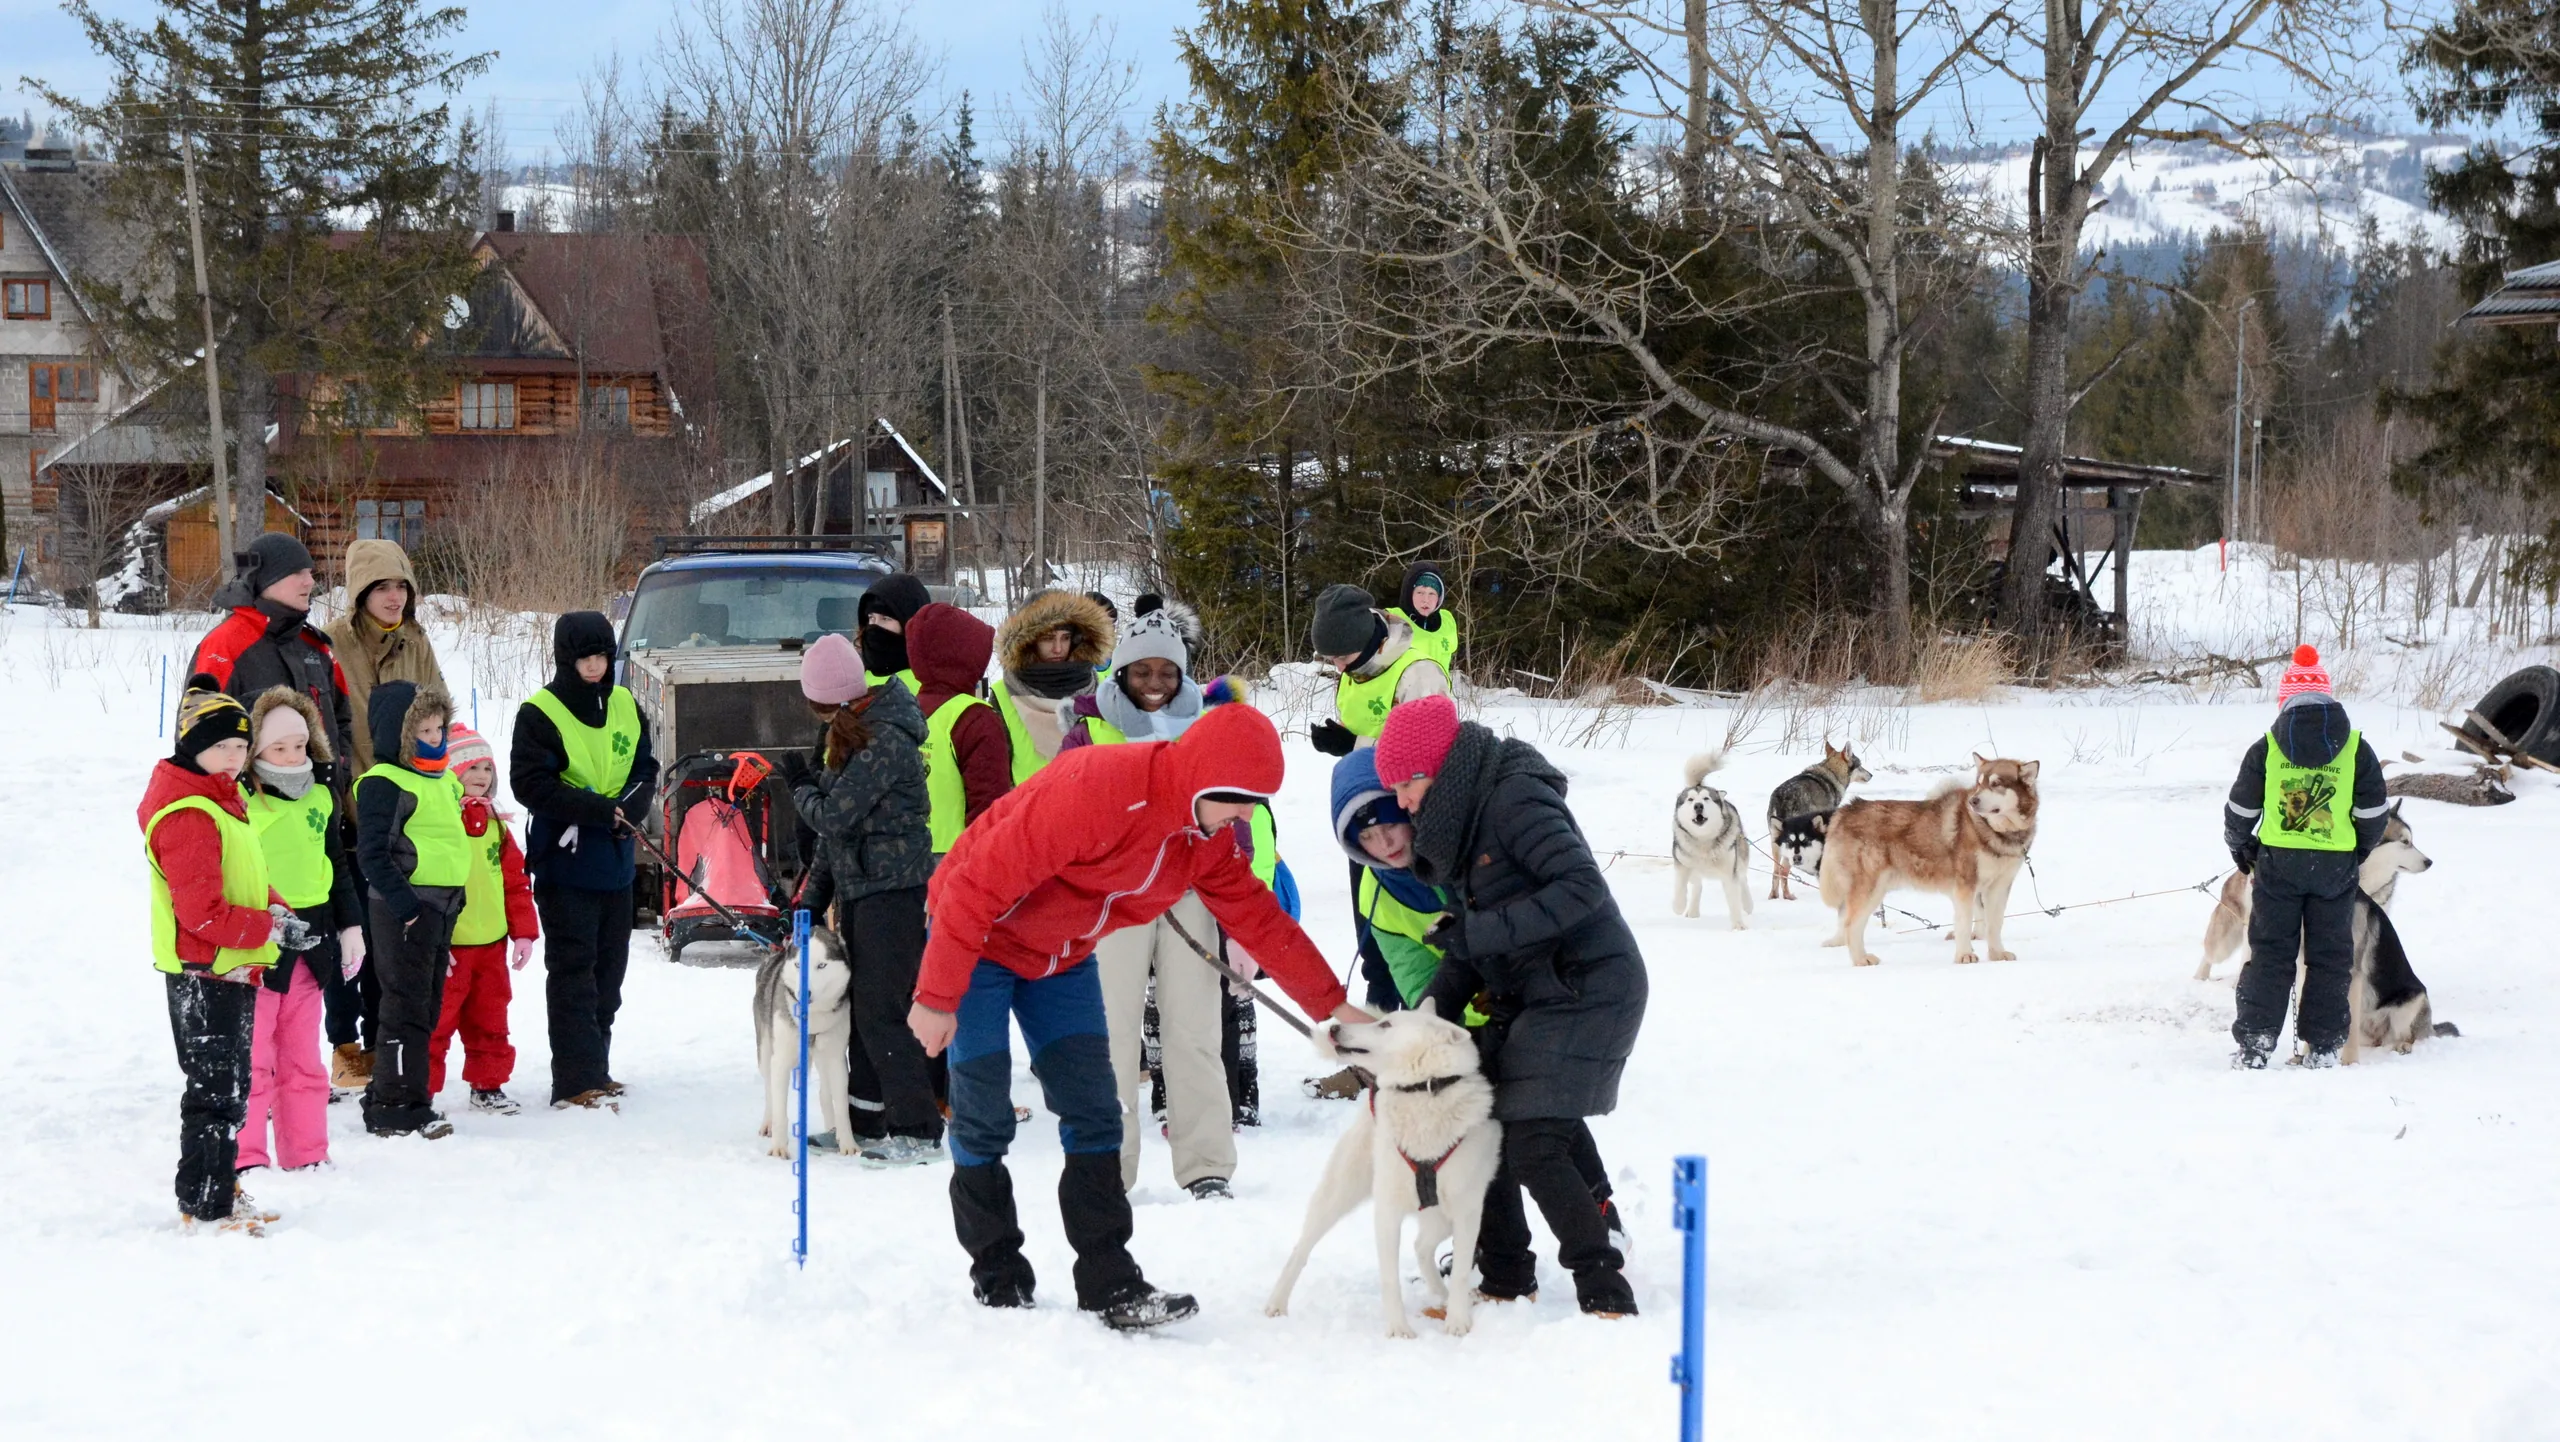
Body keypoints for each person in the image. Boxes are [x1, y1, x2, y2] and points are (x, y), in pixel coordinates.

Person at [907, 703, 1372, 1329]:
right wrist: (937, 997)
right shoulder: (1096, 788)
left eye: (1253, 805)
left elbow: (1258, 918)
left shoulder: (1203, 840)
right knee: (984, 1113)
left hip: (1061, 956)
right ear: (1204, 781)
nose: (1244, 818)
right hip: (980, 943)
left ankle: (1109, 1282)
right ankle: (999, 1278)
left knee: (1097, 1111)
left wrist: (1334, 1008)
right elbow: (971, 887)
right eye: (1238, 801)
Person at [1378, 693, 1645, 1317]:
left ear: (1440, 767)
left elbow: (1582, 887)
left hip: (1590, 986)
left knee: (1532, 1139)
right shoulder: (1464, 821)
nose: (1404, 802)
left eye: (1408, 784)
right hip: (1541, 989)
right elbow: (1473, 943)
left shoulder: (1514, 798)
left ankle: (1604, 1287)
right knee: (1478, 1116)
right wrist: (1424, 1019)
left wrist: (1477, 936)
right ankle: (1503, 1276)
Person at [1054, 606, 1252, 1197]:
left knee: (1192, 1031)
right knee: (1110, 1033)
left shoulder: (1208, 725)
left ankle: (1207, 1163)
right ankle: (1109, 1165)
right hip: (1116, 899)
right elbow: (1063, 814)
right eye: (1142, 673)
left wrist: (1242, 906)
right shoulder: (1089, 729)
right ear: (1121, 673)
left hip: (1190, 894)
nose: (1155, 685)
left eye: (1168, 672)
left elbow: (1238, 818)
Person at [194, 532, 372, 1093]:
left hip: (320, 815)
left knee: (330, 931)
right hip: (254, 825)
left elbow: (341, 716)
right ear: (268, 579)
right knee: (262, 947)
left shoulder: (315, 647)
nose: (311, 581)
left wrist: (335, 770)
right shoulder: (228, 643)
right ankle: (254, 1075)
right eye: (301, 573)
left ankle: (339, 1052)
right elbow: (198, 728)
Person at [142, 678, 306, 1232]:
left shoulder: (221, 799)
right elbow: (202, 913)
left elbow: (242, 878)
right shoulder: (190, 812)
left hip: (229, 965)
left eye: (241, 748)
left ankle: (222, 1186)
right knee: (214, 1092)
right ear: (193, 748)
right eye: (222, 748)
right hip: (202, 968)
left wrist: (275, 909)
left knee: (232, 1088)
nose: (234, 759)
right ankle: (204, 1204)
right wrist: (268, 929)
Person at [788, 632, 944, 1165]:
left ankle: (919, 1128)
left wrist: (799, 789)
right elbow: (839, 836)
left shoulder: (885, 737)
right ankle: (866, 1123)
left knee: (883, 1011)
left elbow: (833, 816)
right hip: (860, 888)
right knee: (861, 1012)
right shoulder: (850, 731)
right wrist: (813, 897)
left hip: (894, 890)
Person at [510, 612, 659, 1110]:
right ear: (565, 660)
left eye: (602, 657)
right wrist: (598, 810)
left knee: (608, 974)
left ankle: (598, 1066)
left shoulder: (624, 703)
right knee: (573, 971)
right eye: (585, 658)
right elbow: (530, 785)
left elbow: (645, 766)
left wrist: (632, 807)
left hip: (615, 859)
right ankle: (574, 1080)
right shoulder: (539, 713)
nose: (594, 667)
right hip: (567, 861)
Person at [2223, 645, 2388, 1070]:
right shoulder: (2355, 748)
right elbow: (2372, 813)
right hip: (2334, 869)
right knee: (2330, 957)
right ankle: (2326, 1047)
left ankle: (2256, 1044)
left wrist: (2242, 847)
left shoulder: (2269, 747)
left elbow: (2241, 809)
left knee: (2271, 953)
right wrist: (2358, 852)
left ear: (2286, 702)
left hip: (2278, 866)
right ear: (2328, 699)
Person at [238, 688, 363, 1174]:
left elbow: (335, 863)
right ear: (256, 751)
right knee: (253, 1062)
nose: (292, 756)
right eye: (279, 748)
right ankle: (246, 1157)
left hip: (313, 944)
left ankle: (307, 1152)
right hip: (261, 945)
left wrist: (350, 924)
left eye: (299, 745)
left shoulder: (322, 795)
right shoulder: (243, 798)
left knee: (304, 1061)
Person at [355, 681, 467, 1140]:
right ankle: (395, 1105)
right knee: (403, 1008)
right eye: (423, 729)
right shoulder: (385, 781)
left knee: (426, 1007)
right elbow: (373, 854)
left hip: (441, 910)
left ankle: (404, 1091)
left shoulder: (442, 779)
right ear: (398, 735)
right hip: (407, 911)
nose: (435, 737)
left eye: (440, 727)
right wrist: (407, 908)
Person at [431, 725, 539, 1115]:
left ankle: (488, 1084)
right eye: (470, 768)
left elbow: (515, 882)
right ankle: (421, 1091)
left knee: (491, 1019)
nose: (480, 776)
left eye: (486, 768)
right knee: (437, 1024)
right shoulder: (440, 823)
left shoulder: (497, 824)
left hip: (490, 946)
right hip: (452, 947)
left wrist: (523, 933)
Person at [326, 538, 449, 774]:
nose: (395, 597)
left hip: (413, 793)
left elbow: (439, 715)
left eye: (401, 586)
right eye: (382, 588)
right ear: (362, 593)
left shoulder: (416, 640)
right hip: (349, 792)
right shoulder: (331, 643)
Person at [906, 602, 1013, 852]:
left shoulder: (905, 709)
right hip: (957, 857)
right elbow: (988, 805)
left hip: (903, 856)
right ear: (964, 656)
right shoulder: (974, 718)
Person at [1306, 582, 1451, 758]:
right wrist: (1337, 737)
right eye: (1331, 659)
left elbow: (1427, 758)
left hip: (1396, 785)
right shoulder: (1358, 666)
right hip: (1360, 780)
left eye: (1343, 657)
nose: (1340, 668)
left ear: (1366, 641)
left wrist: (1354, 745)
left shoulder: (1420, 675)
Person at [987, 590, 1115, 781]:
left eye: (1065, 638)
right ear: (1029, 641)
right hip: (1026, 806)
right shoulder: (1004, 694)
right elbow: (995, 774)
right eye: (1048, 638)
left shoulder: (1100, 691)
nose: (1058, 648)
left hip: (1087, 804)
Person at [855, 572, 931, 693]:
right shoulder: (853, 677)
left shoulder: (927, 684)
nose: (874, 626)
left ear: (910, 623)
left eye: (885, 619)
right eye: (871, 618)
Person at [1389, 563, 1459, 671]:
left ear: (1439, 598)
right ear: (1409, 593)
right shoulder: (1392, 620)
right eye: (1420, 592)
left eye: (1432, 593)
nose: (1426, 600)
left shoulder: (1447, 620)